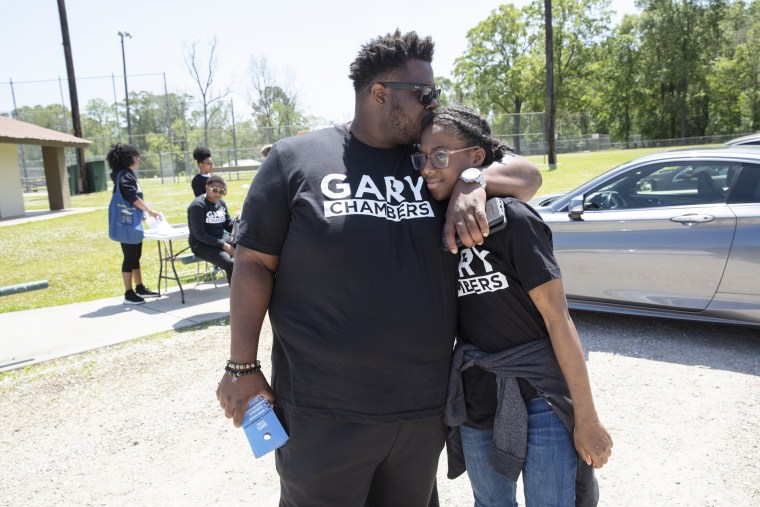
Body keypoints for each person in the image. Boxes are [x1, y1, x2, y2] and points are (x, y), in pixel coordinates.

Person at [216, 30, 541, 506]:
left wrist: (473, 178)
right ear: (380, 94)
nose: (433, 106)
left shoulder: (433, 162)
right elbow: (253, 263)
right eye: (424, 95)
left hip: (421, 411)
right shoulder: (297, 158)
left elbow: (529, 175)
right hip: (323, 413)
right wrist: (242, 366)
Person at [414, 105, 612, 506]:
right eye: (421, 157)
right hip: (477, 392)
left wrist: (587, 419)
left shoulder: (514, 221)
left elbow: (559, 320)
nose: (427, 168)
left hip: (540, 391)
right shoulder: (428, 223)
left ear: (476, 158)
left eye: (440, 156)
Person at [107, 143, 162, 305]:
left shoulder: (125, 174)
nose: (138, 159)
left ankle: (139, 287)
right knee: (129, 257)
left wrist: (142, 214)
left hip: (132, 221)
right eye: (136, 156)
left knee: (136, 256)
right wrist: (149, 211)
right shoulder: (124, 175)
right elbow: (132, 197)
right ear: (128, 158)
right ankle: (128, 293)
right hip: (126, 223)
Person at [187, 174, 235, 284]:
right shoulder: (197, 206)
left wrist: (240, 223)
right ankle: (237, 299)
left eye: (222, 191)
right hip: (202, 244)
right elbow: (200, 234)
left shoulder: (221, 203)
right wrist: (225, 246)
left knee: (249, 250)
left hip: (220, 239)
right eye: (215, 190)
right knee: (231, 264)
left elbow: (228, 224)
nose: (218, 194)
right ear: (207, 188)